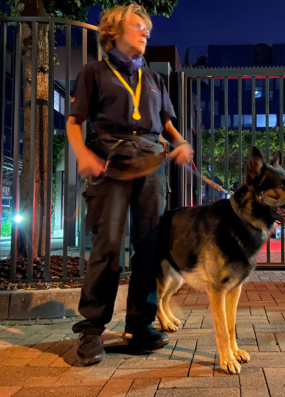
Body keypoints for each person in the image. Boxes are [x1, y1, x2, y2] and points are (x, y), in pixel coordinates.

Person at [66, 2, 194, 366]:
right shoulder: (93, 72)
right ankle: (92, 330)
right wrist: (83, 156)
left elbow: (166, 125)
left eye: (147, 29)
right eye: (138, 26)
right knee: (106, 246)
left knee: (149, 248)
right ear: (114, 32)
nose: (145, 32)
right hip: (109, 166)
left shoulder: (154, 80)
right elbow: (74, 122)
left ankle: (140, 325)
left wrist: (181, 143)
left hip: (152, 167)